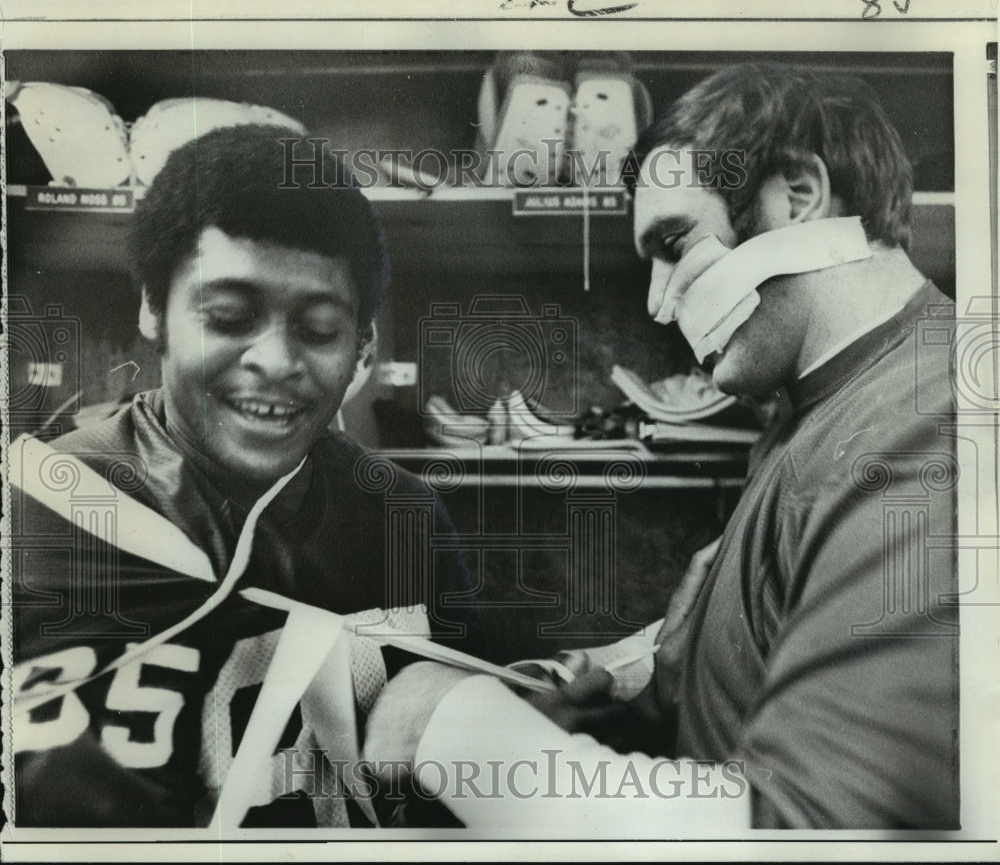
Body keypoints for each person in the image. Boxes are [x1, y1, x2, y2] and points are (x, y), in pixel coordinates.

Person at [363, 62, 959, 831]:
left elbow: (810, 836)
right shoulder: (817, 404)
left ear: (799, 196)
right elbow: (771, 626)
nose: (657, 299)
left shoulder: (927, 425)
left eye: (674, 242)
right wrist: (625, 675)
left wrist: (449, 728)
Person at [10, 124, 484, 828]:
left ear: (361, 347)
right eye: (229, 317)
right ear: (153, 307)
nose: (275, 361)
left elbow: (452, 773)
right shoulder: (39, 509)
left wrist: (515, 727)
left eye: (320, 329)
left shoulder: (402, 517)